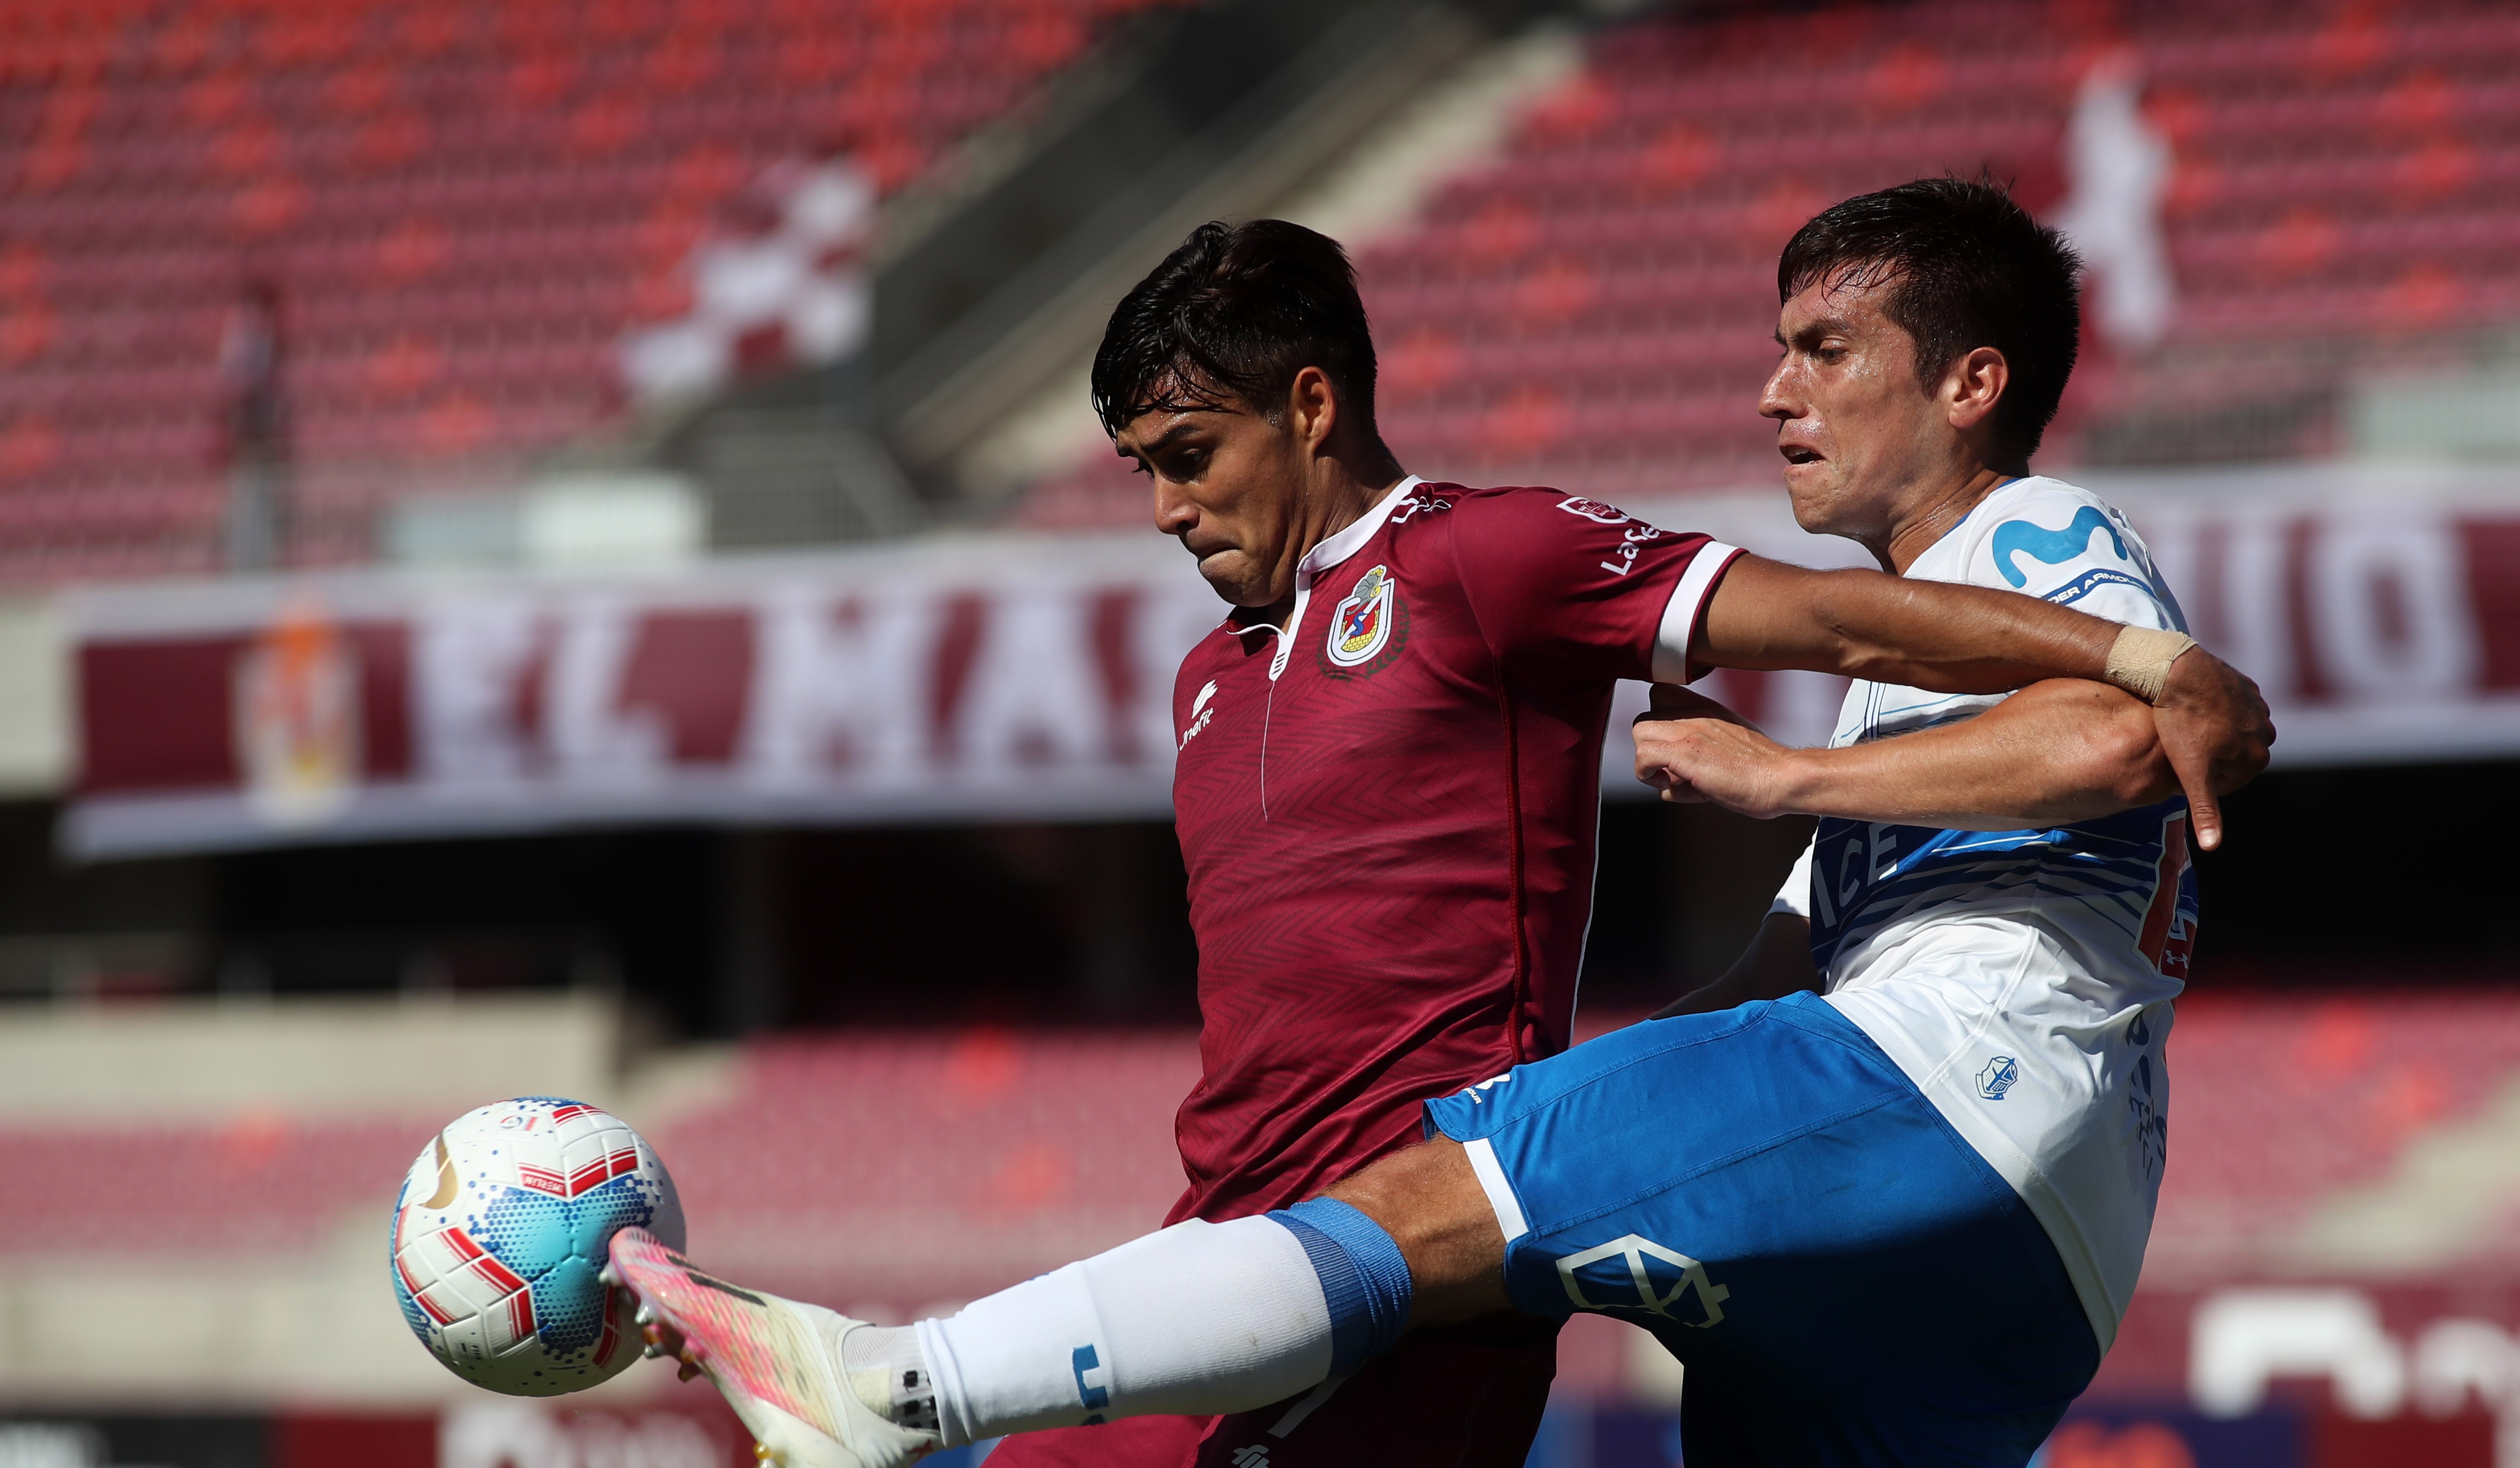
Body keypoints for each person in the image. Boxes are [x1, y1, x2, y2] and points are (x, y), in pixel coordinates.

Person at [604, 193, 2270, 1468]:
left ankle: (903, 1386)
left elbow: (2132, 729)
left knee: (1426, 1206)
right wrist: (1642, 1082)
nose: (1774, 393)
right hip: (2035, 1253)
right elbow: (1794, 953)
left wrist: (1794, 782)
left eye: (1822, 351)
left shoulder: (2038, 528)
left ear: (1974, 380)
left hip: (1949, 1090)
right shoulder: (1900, 704)